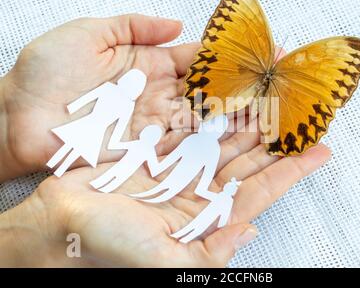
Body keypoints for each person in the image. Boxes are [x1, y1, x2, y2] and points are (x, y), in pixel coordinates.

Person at [0, 14, 331, 267]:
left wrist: (10, 121)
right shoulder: (205, 145)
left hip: (120, 151)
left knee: (109, 169)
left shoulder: (198, 143)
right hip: (115, 147)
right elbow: (184, 169)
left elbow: (175, 165)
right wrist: (11, 119)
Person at [47, 69, 147, 177]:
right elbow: (90, 98)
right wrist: (114, 142)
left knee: (72, 143)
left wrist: (73, 107)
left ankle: (56, 166)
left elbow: (120, 125)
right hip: (94, 126)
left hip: (93, 125)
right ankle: (57, 167)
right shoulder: (123, 100)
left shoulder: (114, 92)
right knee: (75, 145)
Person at [131, 115, 229, 203]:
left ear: (220, 130)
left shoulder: (213, 148)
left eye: (211, 122)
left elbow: (206, 177)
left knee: (156, 189)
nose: (205, 123)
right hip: (168, 178)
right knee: (156, 188)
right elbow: (172, 157)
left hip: (176, 182)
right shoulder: (200, 142)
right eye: (207, 121)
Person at [90, 125, 163, 193]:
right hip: (125, 168)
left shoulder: (145, 148)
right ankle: (100, 187)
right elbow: (154, 169)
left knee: (112, 177)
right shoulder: (148, 150)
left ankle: (101, 187)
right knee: (112, 177)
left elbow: (153, 169)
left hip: (125, 168)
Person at [172, 177, 241, 243]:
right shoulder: (221, 195)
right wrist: (201, 191)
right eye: (227, 187)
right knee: (194, 224)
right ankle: (179, 235)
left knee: (199, 228)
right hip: (206, 213)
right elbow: (207, 195)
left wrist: (221, 223)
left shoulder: (228, 200)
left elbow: (225, 212)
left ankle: (185, 239)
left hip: (211, 216)